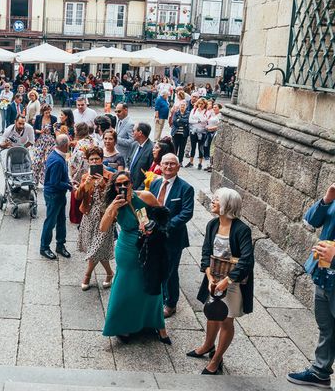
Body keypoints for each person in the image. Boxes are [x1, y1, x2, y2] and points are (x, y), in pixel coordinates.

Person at [100, 171, 171, 344]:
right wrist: (113, 207)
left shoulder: (145, 196)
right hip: (127, 249)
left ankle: (158, 326)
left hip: (148, 245)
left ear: (132, 183)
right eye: (119, 185)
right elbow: (103, 228)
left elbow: (162, 216)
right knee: (126, 287)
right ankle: (122, 325)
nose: (123, 187)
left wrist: (153, 225)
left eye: (126, 183)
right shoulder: (114, 204)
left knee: (151, 284)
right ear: (114, 187)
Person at [191, 188, 254, 375]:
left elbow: (246, 260)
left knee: (226, 320)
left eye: (217, 199)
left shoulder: (242, 230)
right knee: (212, 313)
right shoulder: (212, 224)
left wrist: (227, 281)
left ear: (227, 205)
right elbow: (205, 252)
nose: (213, 201)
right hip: (214, 278)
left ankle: (217, 359)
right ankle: (207, 346)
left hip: (233, 282)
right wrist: (209, 277)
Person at [288, 183, 335, 388]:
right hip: (324, 273)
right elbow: (311, 220)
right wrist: (327, 198)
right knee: (327, 327)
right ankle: (320, 372)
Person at [149, 154, 194, 318]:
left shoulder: (185, 188)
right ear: (160, 165)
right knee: (157, 266)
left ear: (178, 166)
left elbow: (186, 214)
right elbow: (149, 206)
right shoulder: (154, 184)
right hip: (154, 235)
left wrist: (165, 226)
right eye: (165, 163)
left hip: (173, 237)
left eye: (172, 164)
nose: (168, 167)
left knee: (170, 270)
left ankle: (171, 303)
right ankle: (158, 297)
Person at [75, 146, 115, 291]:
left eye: (97, 159)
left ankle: (87, 275)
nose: (94, 161)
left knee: (96, 248)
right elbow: (78, 197)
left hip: (105, 217)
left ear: (102, 160)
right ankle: (110, 273)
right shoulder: (86, 176)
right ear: (88, 161)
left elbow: (113, 197)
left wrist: (104, 185)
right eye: (91, 159)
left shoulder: (110, 176)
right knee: (97, 248)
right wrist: (85, 186)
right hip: (89, 215)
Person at [39, 134, 73, 260]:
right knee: (51, 222)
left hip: (58, 194)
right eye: (68, 144)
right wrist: (70, 186)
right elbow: (55, 182)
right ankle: (44, 247)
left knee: (61, 220)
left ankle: (60, 245)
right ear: (65, 145)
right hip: (54, 195)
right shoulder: (58, 160)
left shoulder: (57, 155)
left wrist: (68, 182)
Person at [69, 123, 94, 225]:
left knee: (77, 194)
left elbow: (75, 161)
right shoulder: (92, 141)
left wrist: (71, 172)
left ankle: (76, 218)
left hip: (80, 173)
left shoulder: (80, 144)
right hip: (90, 172)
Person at [32, 104, 57, 186]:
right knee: (37, 161)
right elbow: (34, 129)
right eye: (46, 112)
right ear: (43, 112)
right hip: (40, 140)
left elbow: (55, 130)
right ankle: (35, 181)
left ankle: (44, 181)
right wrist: (41, 131)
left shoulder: (53, 118)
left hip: (50, 141)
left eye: (49, 112)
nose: (48, 114)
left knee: (47, 161)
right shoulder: (39, 117)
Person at [128, 122, 154, 190]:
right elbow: (129, 161)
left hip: (141, 189)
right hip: (130, 185)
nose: (132, 133)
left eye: (133, 131)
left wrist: (141, 189)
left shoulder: (151, 149)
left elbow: (151, 172)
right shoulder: (134, 145)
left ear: (140, 133)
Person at [187, 98, 210, 170]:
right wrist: (198, 121)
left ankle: (200, 163)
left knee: (200, 147)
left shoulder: (206, 111)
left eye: (202, 104)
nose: (200, 105)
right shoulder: (193, 110)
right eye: (199, 103)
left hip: (202, 131)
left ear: (205, 104)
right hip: (193, 130)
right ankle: (191, 162)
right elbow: (190, 120)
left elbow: (204, 120)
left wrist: (199, 115)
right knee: (193, 146)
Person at [204, 103, 222, 172]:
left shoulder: (220, 116)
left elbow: (219, 125)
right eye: (213, 107)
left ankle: (213, 165)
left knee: (212, 148)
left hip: (214, 133)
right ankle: (210, 164)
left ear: (219, 108)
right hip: (209, 132)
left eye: (216, 107)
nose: (214, 108)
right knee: (208, 147)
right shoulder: (212, 114)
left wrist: (211, 128)